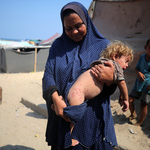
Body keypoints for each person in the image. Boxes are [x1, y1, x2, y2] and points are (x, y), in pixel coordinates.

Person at [42, 2, 120, 149]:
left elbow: (110, 85)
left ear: (87, 21)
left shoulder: (103, 46)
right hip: (63, 116)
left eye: (79, 26)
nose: (75, 31)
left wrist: (111, 79)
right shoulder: (58, 46)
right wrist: (55, 98)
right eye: (68, 28)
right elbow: (48, 74)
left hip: (92, 118)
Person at [64, 42, 133, 131]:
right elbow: (122, 83)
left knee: (72, 112)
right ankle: (71, 137)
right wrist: (126, 99)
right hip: (79, 93)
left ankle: (63, 110)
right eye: (126, 61)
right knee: (73, 117)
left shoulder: (101, 61)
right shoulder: (115, 66)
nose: (127, 65)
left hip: (74, 90)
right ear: (115, 56)